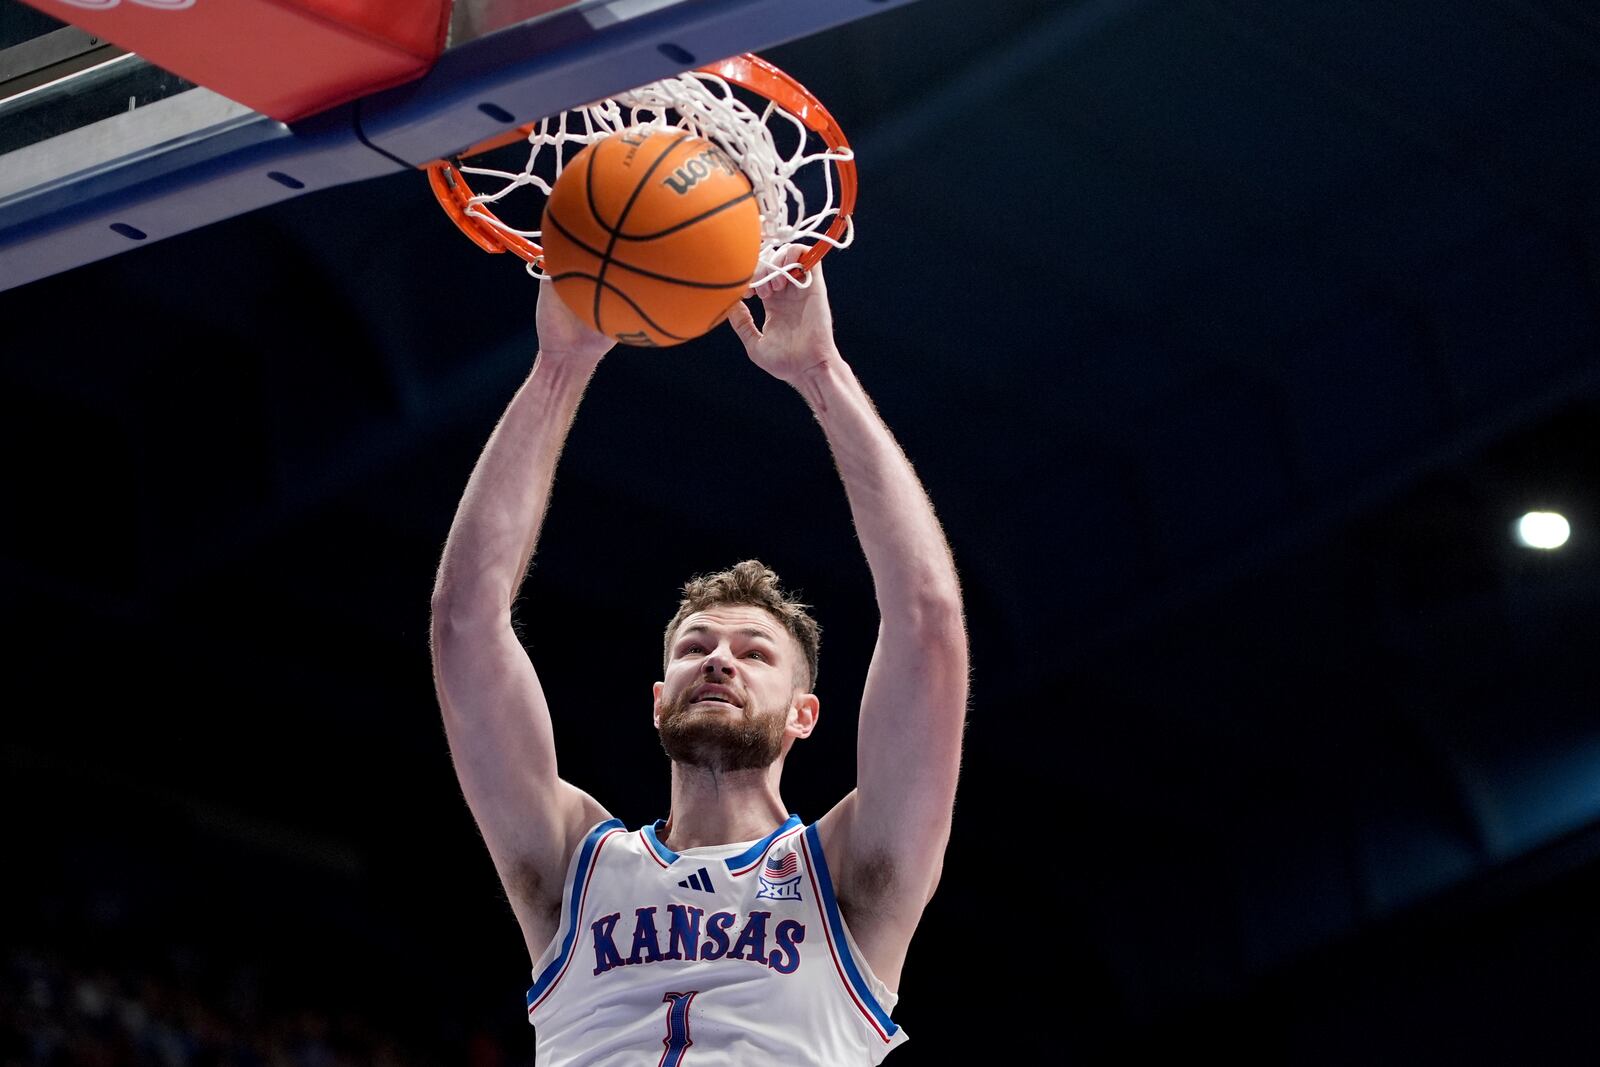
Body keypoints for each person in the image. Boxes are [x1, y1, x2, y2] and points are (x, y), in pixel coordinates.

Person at [429, 251, 967, 1065]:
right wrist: (558, 367)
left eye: (754, 652)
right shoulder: (574, 858)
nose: (719, 659)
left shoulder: (850, 873)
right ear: (657, 698)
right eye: (694, 645)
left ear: (803, 713)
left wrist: (822, 373)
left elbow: (927, 623)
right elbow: (465, 622)